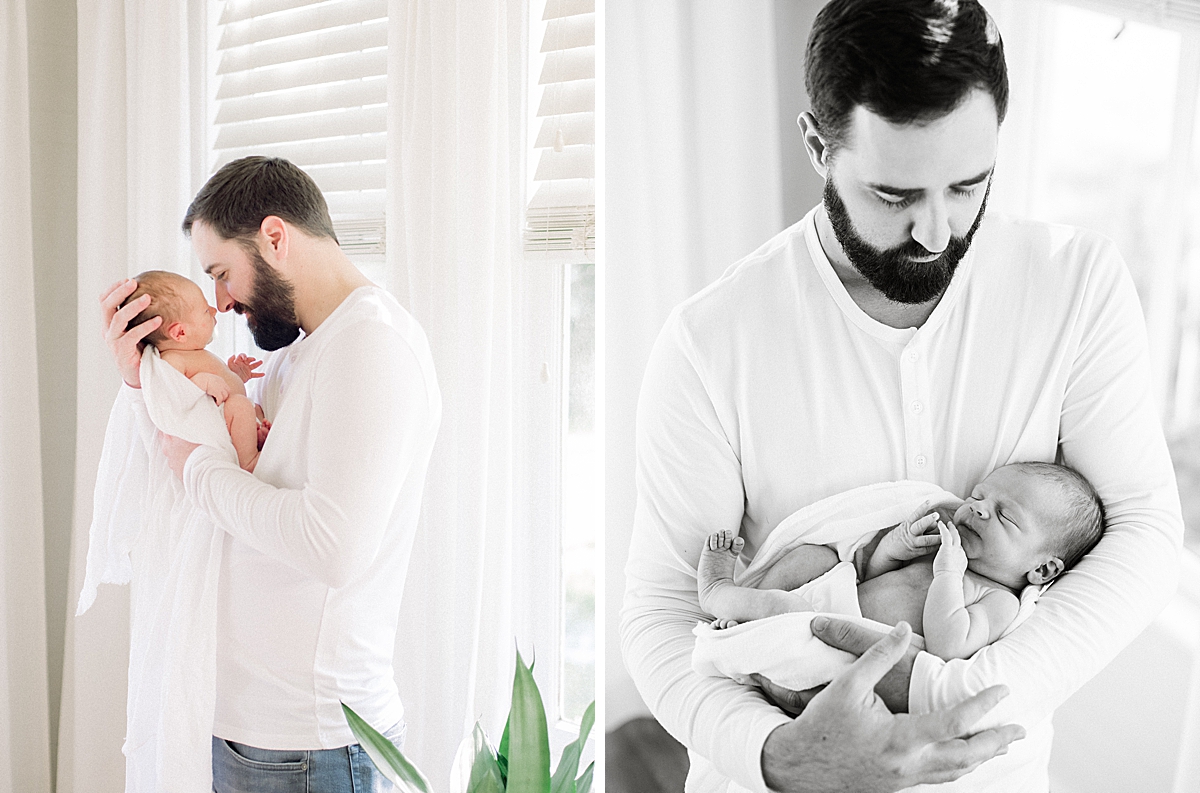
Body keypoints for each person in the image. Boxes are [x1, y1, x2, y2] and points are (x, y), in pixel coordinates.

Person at [619, 0, 1182, 790]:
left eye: (967, 184)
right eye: (894, 196)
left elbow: (1146, 533)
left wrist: (950, 703)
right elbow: (659, 614)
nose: (937, 231)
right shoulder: (710, 342)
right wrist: (781, 756)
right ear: (819, 145)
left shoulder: (1075, 288)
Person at [100, 156, 441, 791]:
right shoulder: (296, 353)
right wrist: (142, 376)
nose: (221, 301)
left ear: (275, 237)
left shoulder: (371, 346)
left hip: (310, 747)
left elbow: (330, 545)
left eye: (222, 273)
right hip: (251, 732)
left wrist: (198, 470)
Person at [698, 462, 1105, 660]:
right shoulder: (941, 549)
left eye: (1005, 516)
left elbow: (949, 645)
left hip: (840, 640)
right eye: (979, 497)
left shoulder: (998, 600)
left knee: (788, 609)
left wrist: (949, 574)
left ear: (1043, 569)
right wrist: (897, 547)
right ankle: (745, 605)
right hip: (839, 596)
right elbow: (873, 576)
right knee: (814, 555)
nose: (978, 510)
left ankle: (720, 594)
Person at [118, 269, 269, 472]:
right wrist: (201, 381)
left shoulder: (194, 353)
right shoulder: (171, 361)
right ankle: (248, 461)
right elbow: (174, 397)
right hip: (220, 424)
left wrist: (235, 375)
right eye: (206, 311)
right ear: (180, 332)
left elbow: (221, 388)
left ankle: (256, 436)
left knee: (254, 409)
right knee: (241, 406)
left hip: (230, 417)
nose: (214, 310)